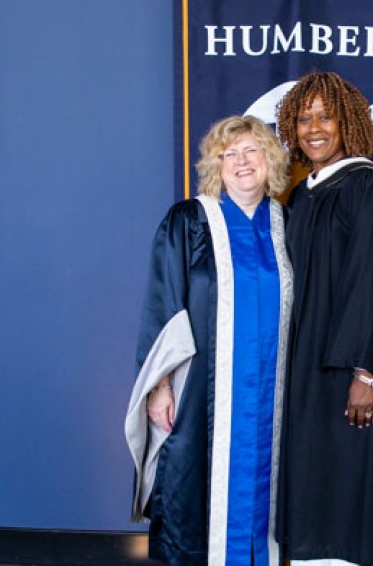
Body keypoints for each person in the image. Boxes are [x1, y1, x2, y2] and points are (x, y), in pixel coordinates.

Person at [125, 115, 293, 566]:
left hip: (273, 393)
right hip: (203, 391)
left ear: (270, 159)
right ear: (215, 166)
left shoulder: (286, 224)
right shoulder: (190, 221)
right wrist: (159, 385)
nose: (241, 161)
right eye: (229, 154)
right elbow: (164, 303)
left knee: (268, 485)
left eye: (251, 151)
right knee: (191, 488)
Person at [274, 71, 373, 566]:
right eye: (303, 117)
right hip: (307, 364)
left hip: (350, 368)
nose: (314, 128)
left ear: (347, 122)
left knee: (346, 488)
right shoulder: (300, 195)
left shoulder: (364, 186)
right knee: (314, 484)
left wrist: (366, 373)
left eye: (325, 116)